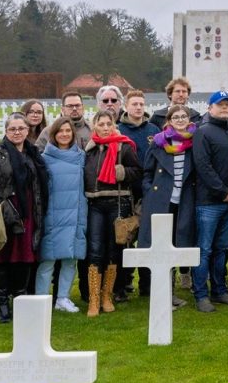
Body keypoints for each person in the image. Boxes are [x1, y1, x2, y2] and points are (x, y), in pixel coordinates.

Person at [0, 113, 47, 323]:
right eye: (12, 129)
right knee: (3, 260)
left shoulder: (33, 153)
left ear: (27, 130)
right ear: (5, 131)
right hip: (4, 213)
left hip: (28, 213)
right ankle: (3, 304)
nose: (17, 132)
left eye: (21, 129)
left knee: (25, 258)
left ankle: (20, 300)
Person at [190, 91, 228, 311]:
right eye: (220, 104)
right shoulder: (203, 132)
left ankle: (220, 290)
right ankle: (201, 294)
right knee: (204, 249)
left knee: (222, 248)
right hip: (208, 202)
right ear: (210, 107)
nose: (225, 108)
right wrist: (223, 191)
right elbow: (203, 166)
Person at [140, 104, 200, 307]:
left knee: (178, 243)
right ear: (169, 121)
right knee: (160, 247)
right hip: (161, 200)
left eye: (184, 116)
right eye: (176, 117)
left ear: (189, 120)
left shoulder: (195, 141)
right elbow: (147, 171)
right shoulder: (158, 143)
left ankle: (176, 288)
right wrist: (149, 190)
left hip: (185, 200)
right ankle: (165, 292)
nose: (181, 120)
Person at [82, 110, 141, 316]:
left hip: (118, 202)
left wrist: (121, 172)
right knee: (95, 250)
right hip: (95, 203)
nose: (105, 128)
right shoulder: (88, 150)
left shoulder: (124, 147)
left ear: (114, 125)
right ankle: (93, 299)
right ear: (94, 126)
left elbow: (137, 172)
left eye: (109, 124)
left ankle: (107, 295)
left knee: (113, 250)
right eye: (101, 124)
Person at [36, 117, 87, 313]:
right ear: (53, 134)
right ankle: (41, 298)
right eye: (60, 131)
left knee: (70, 259)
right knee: (48, 259)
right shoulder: (45, 159)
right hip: (53, 216)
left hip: (76, 214)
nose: (64, 134)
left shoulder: (81, 156)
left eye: (68, 131)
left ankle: (62, 298)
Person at [118, 89, 161, 301]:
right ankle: (125, 282)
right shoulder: (119, 130)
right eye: (134, 104)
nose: (138, 107)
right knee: (126, 238)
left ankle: (147, 284)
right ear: (126, 106)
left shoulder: (153, 129)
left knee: (148, 239)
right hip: (126, 192)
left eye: (141, 104)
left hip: (148, 192)